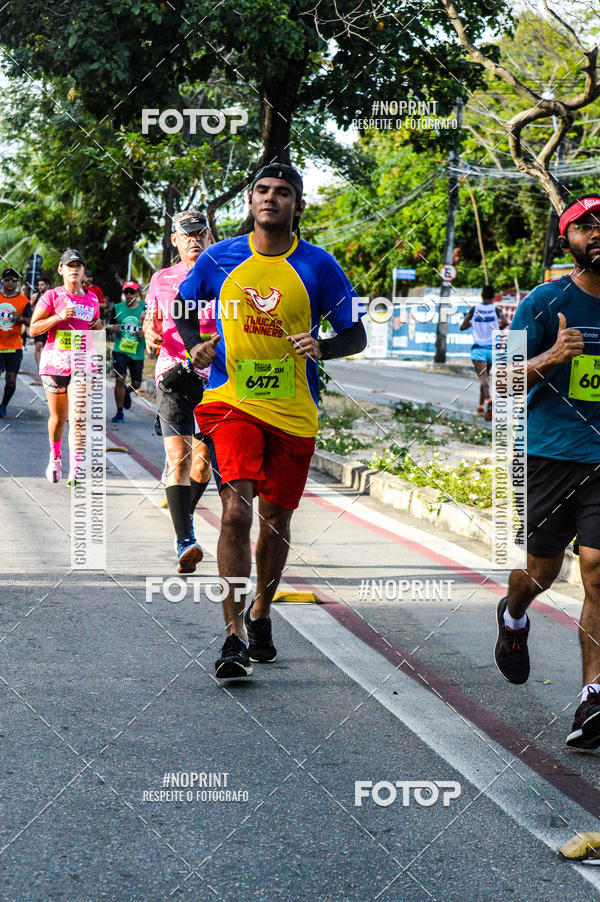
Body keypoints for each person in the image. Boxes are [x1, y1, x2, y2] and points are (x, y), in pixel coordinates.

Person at [174, 163, 367, 679]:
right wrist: (194, 343)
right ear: (251, 202)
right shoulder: (220, 257)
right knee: (236, 509)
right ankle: (234, 634)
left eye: (283, 192)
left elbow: (356, 335)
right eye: (262, 190)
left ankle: (261, 612)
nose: (270, 198)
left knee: (276, 520)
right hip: (231, 400)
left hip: (293, 410)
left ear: (296, 205)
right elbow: (182, 306)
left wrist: (323, 347)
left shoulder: (320, 265)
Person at [493, 195, 600, 750]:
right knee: (541, 571)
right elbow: (499, 385)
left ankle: (592, 698)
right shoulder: (542, 301)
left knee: (598, 570)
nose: (597, 232)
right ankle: (512, 616)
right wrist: (549, 358)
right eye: (585, 226)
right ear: (567, 242)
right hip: (551, 457)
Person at [143, 211, 215, 573]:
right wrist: (148, 332)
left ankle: (180, 512)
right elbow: (149, 319)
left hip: (218, 377)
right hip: (174, 372)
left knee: (203, 465)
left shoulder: (226, 274)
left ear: (210, 236)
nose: (194, 240)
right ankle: (185, 539)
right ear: (174, 240)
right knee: (180, 458)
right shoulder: (162, 279)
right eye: (186, 235)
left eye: (201, 233)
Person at [30, 249, 103, 484]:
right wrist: (58, 317)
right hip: (55, 364)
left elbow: (93, 332)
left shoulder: (92, 299)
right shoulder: (51, 296)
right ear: (61, 270)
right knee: (58, 418)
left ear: (83, 271)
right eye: (69, 265)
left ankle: (77, 468)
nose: (74, 269)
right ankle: (56, 457)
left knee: (79, 417)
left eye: (78, 265)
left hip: (83, 363)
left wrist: (99, 327)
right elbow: (33, 329)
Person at [460, 285, 508, 420]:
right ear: (493, 297)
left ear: (482, 296)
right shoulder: (497, 310)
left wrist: (473, 323)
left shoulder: (474, 309)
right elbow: (505, 322)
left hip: (479, 350)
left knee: (483, 379)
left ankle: (490, 402)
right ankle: (481, 407)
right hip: (492, 350)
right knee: (485, 379)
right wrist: (495, 328)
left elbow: (462, 327)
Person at [107, 280, 145, 422]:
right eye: (126, 292)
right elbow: (108, 324)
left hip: (137, 351)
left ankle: (127, 391)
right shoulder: (117, 307)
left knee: (136, 383)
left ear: (137, 293)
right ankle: (119, 412)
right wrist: (112, 328)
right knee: (119, 377)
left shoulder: (145, 307)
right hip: (120, 350)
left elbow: (151, 326)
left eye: (132, 292)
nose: (129, 295)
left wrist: (144, 332)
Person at [0, 268, 32, 417]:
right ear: (2, 281)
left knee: (11, 379)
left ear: (17, 282)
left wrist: (21, 318)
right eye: (8, 279)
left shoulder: (23, 302)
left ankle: (3, 405)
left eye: (14, 280)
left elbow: (32, 322)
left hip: (13, 346)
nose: (11, 282)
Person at [31, 275, 52, 372]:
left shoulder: (52, 296)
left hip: (48, 325)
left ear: (48, 286)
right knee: (38, 345)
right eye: (39, 285)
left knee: (46, 347)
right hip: (39, 325)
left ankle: (46, 366)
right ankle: (39, 367)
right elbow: (29, 308)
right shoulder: (36, 296)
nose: (40, 287)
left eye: (42, 285)